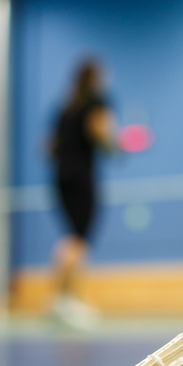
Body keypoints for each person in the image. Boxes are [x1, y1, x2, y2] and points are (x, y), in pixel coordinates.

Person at [49, 58, 116, 327]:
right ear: (96, 77)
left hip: (60, 177)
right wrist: (115, 145)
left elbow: (48, 145)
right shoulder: (97, 101)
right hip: (81, 178)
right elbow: (100, 133)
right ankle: (72, 301)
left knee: (70, 239)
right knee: (79, 240)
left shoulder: (65, 108)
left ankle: (59, 301)